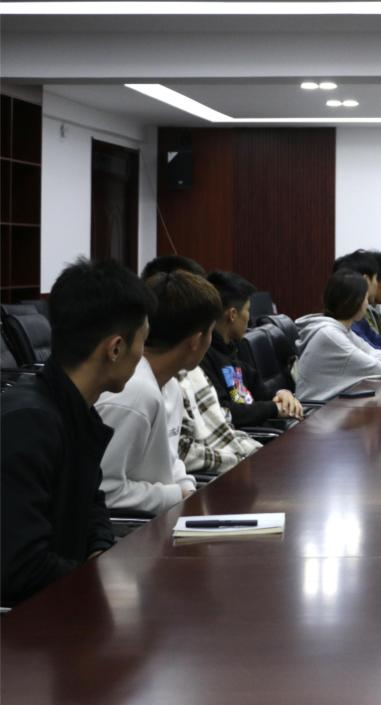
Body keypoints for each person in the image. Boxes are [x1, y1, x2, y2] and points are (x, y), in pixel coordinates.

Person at [1, 258, 153, 607]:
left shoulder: (74, 407)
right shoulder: (29, 424)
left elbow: (91, 502)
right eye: (142, 343)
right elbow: (20, 568)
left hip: (64, 603)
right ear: (115, 348)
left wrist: (101, 550)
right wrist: (105, 585)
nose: (142, 356)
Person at [96, 270, 214, 513]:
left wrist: (187, 490)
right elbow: (103, 492)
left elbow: (169, 460)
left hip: (164, 515)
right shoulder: (132, 393)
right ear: (195, 340)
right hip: (132, 530)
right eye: (211, 331)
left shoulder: (170, 385)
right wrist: (174, 495)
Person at [200, 270, 303, 429]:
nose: (249, 317)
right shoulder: (203, 357)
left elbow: (262, 393)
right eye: (247, 310)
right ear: (232, 315)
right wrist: (273, 408)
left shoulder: (231, 350)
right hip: (247, 438)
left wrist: (282, 394)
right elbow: (224, 411)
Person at [295, 270, 381, 398]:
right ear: (356, 302)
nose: (367, 304)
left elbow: (379, 357)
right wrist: (380, 357)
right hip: (317, 408)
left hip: (333, 404)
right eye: (365, 298)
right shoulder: (330, 336)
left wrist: (379, 357)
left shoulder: (343, 330)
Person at [177, 364, 261, 475]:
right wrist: (274, 407)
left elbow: (223, 421)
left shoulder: (197, 370)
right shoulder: (205, 364)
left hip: (238, 449)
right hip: (218, 470)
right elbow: (182, 453)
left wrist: (278, 397)